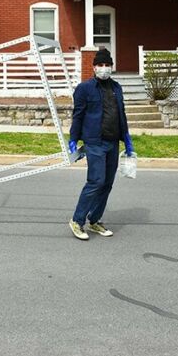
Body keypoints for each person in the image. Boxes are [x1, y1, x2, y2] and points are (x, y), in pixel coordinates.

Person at [68, 48, 134, 240]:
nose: (104, 68)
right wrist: (73, 139)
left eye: (107, 65)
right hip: (94, 141)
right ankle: (77, 221)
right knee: (96, 181)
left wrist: (127, 140)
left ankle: (94, 220)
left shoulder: (116, 88)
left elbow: (121, 114)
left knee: (107, 183)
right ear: (94, 67)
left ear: (111, 67)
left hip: (113, 142)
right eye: (100, 65)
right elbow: (78, 115)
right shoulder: (84, 88)